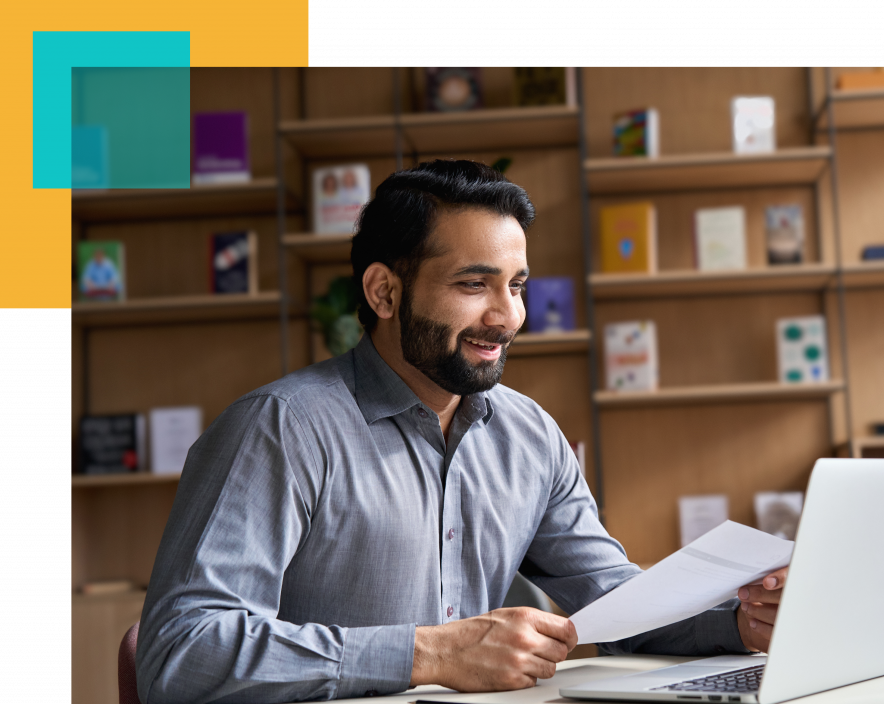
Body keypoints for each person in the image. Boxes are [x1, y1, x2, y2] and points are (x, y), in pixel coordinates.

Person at [136, 160, 788, 704]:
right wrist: (431, 653)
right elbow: (180, 650)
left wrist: (738, 623)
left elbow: (614, 605)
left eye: (517, 286)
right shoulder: (280, 429)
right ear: (384, 292)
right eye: (474, 284)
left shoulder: (529, 434)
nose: (507, 317)